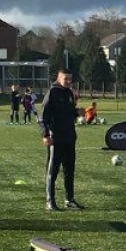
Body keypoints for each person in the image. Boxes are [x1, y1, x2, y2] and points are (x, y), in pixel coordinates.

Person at [40, 69, 83, 210]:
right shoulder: (52, 92)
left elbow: (67, 113)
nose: (69, 81)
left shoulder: (69, 93)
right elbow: (43, 116)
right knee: (53, 170)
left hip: (69, 137)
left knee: (69, 170)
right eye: (66, 79)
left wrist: (77, 112)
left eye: (71, 79)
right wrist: (45, 135)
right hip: (56, 137)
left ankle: (69, 200)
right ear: (59, 78)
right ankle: (49, 201)